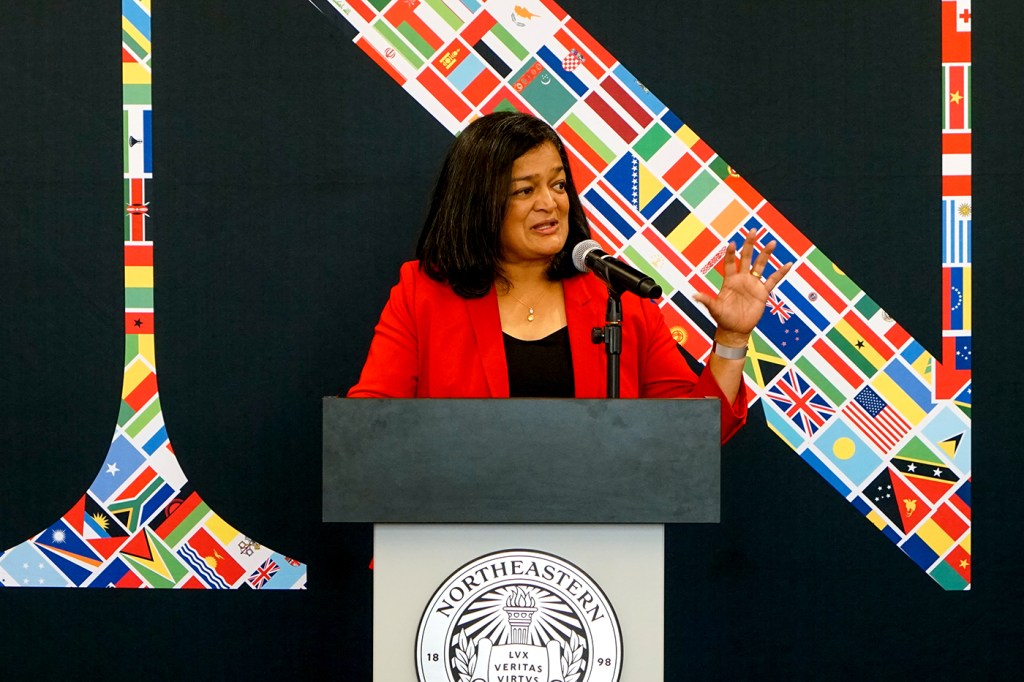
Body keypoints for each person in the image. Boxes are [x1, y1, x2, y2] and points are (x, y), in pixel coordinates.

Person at [347, 111, 791, 441]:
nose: (550, 203)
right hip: (456, 545)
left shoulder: (617, 295)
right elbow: (369, 428)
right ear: (478, 203)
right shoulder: (423, 292)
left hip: (591, 551)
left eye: (558, 185)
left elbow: (691, 435)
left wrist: (731, 339)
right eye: (526, 190)